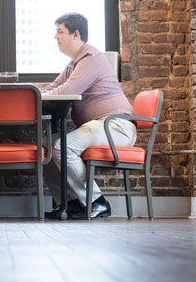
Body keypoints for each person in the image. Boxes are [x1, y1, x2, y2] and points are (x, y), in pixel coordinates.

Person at [41, 13, 136, 219]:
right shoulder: (74, 63)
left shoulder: (90, 57)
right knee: (46, 146)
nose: (55, 37)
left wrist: (42, 94)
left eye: (59, 31)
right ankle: (71, 203)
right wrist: (38, 93)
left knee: (61, 146)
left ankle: (97, 202)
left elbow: (67, 91)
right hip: (99, 127)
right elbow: (55, 87)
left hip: (116, 126)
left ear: (76, 34)